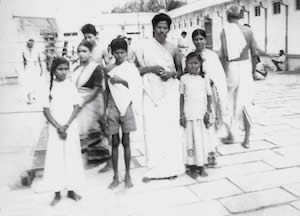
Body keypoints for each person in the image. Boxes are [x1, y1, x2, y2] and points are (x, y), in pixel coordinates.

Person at [134, 13, 185, 182]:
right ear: (153, 28)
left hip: (169, 92)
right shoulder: (143, 47)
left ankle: (171, 168)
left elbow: (180, 71)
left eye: (165, 28)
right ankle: (153, 169)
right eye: (159, 27)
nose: (162, 31)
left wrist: (171, 73)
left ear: (169, 29)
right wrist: (151, 68)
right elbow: (135, 70)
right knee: (152, 129)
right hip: (150, 92)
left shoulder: (174, 48)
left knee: (169, 130)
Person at [42, 57, 84, 206]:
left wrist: (66, 125)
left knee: (72, 157)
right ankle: (57, 192)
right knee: (56, 158)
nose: (64, 72)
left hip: (70, 127)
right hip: (55, 129)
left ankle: (72, 190)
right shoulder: (48, 87)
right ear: (54, 70)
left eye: (66, 69)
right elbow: (46, 110)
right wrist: (58, 127)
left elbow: (77, 106)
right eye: (60, 69)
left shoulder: (71, 86)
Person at [105, 38, 142, 189]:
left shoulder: (131, 68)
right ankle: (115, 176)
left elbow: (136, 86)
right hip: (113, 106)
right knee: (114, 142)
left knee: (126, 142)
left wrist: (121, 81)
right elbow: (106, 90)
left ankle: (127, 175)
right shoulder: (108, 68)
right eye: (116, 53)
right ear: (112, 53)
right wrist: (104, 111)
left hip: (126, 106)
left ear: (127, 53)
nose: (120, 56)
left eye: (122, 53)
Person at [219, 5, 257, 148]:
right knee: (245, 102)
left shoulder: (224, 31)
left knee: (228, 102)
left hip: (232, 67)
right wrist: (253, 71)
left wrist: (223, 73)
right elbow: (254, 53)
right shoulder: (248, 31)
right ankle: (246, 139)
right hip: (246, 66)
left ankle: (231, 135)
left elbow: (223, 55)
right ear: (240, 16)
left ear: (228, 17)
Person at [192, 28, 228, 167]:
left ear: (205, 40)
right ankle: (200, 154)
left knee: (210, 122)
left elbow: (219, 76)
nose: (199, 41)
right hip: (196, 94)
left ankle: (212, 152)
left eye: (201, 38)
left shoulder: (212, 56)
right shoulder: (191, 55)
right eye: (196, 39)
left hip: (211, 94)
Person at [72, 40, 107, 164]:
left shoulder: (96, 68)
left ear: (91, 53)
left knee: (91, 132)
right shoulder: (76, 68)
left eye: (84, 51)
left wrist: (83, 102)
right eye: (79, 51)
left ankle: (98, 160)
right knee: (79, 133)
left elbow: (97, 89)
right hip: (77, 103)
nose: (81, 54)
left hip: (90, 104)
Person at [180, 52, 213, 178]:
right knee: (190, 141)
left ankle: (202, 165)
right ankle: (192, 166)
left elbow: (209, 96)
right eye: (190, 63)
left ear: (200, 64)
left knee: (201, 141)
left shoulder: (204, 78)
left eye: (195, 63)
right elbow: (181, 97)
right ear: (186, 65)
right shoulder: (184, 79)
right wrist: (181, 114)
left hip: (201, 114)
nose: (193, 66)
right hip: (189, 114)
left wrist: (208, 111)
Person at [21, 39, 43, 104]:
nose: (31, 44)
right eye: (30, 43)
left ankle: (34, 96)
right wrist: (24, 70)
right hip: (28, 68)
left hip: (35, 68)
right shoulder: (24, 51)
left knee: (35, 82)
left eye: (32, 43)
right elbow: (24, 62)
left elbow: (40, 61)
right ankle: (29, 98)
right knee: (28, 83)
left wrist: (41, 69)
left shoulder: (37, 51)